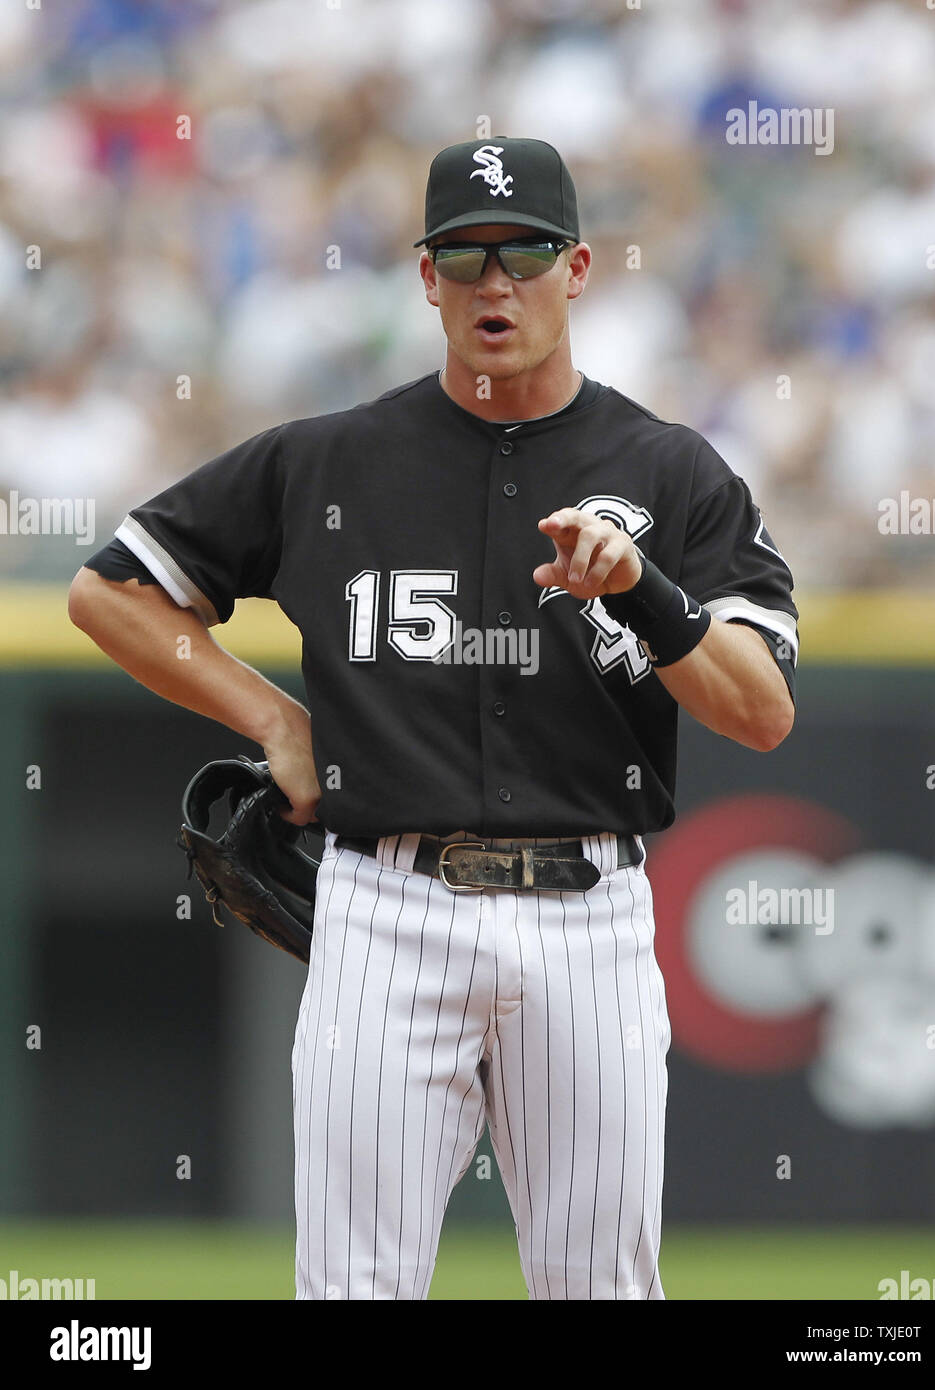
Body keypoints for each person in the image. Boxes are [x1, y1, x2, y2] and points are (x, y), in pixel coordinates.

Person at [69, 136, 797, 1301]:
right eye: (464, 257)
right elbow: (107, 590)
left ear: (579, 268)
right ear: (424, 277)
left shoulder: (669, 472)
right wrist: (275, 719)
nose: (493, 283)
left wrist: (643, 593)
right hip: (385, 904)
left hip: (589, 914)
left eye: (523, 254)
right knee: (352, 1287)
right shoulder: (329, 459)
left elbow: (759, 713)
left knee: (600, 1287)